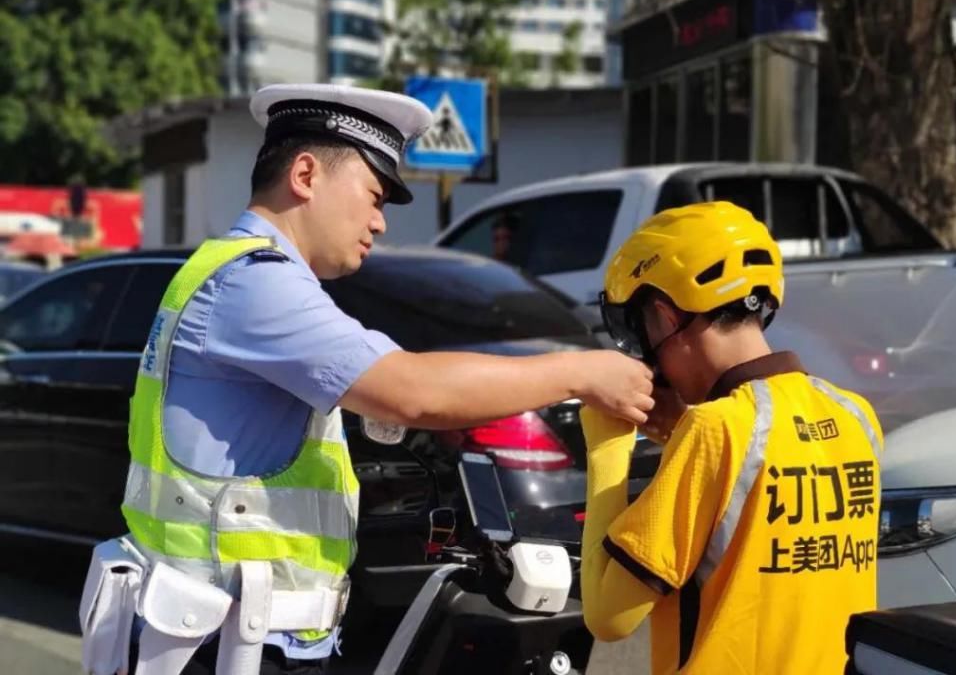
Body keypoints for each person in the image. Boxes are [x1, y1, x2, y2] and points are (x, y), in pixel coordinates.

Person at [103, 84, 653, 675]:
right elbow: (415, 392)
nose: (379, 222)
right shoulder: (254, 283)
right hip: (225, 646)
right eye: (373, 196)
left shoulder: (228, 269)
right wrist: (582, 371)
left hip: (228, 634)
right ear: (306, 175)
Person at [580, 202, 883, 675]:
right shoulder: (855, 415)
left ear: (665, 317)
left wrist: (607, 444)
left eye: (642, 329)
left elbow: (608, 615)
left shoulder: (714, 430)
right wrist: (680, 431)